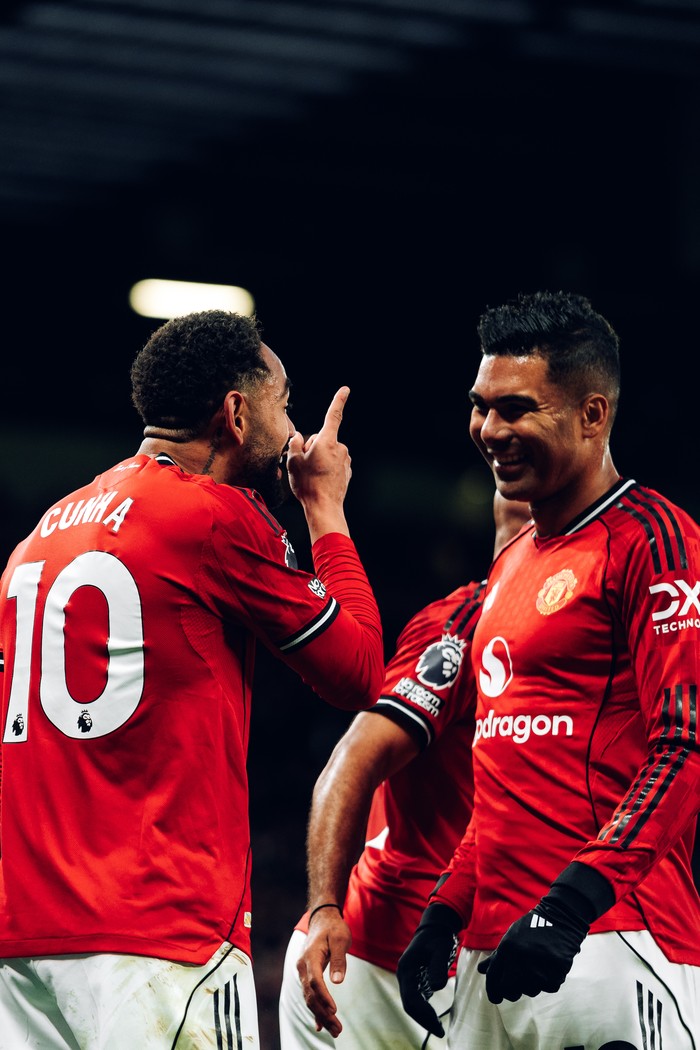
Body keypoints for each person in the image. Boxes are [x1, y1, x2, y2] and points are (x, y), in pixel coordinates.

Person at [0, 310, 385, 1050]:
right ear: (236, 414)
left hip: (25, 937)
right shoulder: (211, 515)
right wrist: (324, 508)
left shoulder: (38, 535)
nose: (293, 429)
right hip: (157, 934)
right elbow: (358, 670)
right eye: (282, 403)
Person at [397, 290, 700, 1049]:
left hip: (609, 938)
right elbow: (510, 770)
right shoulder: (511, 566)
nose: (490, 431)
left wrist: (571, 902)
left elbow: (685, 745)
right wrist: (445, 909)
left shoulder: (653, 538)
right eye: (481, 407)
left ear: (593, 415)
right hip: (491, 951)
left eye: (517, 409)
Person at [278, 492, 532, 1048]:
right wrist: (324, 908)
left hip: (474, 951)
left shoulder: (585, 634)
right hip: (377, 965)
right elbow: (349, 764)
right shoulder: (468, 625)